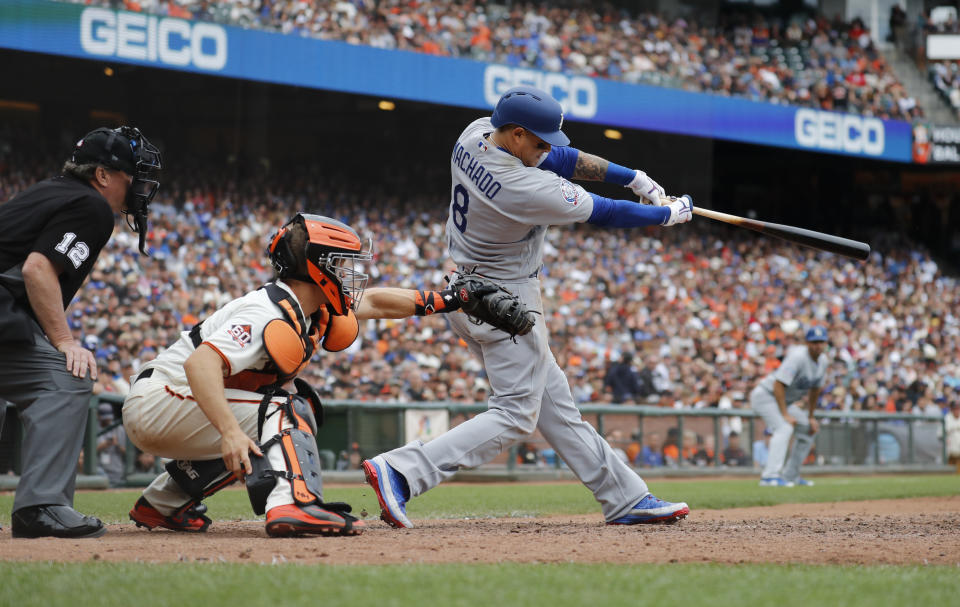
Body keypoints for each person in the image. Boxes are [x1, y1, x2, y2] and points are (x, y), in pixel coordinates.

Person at [363, 85, 693, 528]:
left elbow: (558, 158)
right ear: (516, 134)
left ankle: (626, 497)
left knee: (556, 409)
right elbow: (607, 213)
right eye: (537, 140)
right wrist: (666, 215)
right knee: (516, 415)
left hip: (471, 288)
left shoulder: (475, 133)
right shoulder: (521, 186)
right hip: (505, 301)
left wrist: (633, 177)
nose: (545, 149)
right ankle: (403, 472)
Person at [122, 213, 464, 537]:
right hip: (159, 399)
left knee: (286, 409)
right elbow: (200, 365)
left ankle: (162, 503)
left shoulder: (307, 306)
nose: (349, 273)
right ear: (318, 267)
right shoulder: (266, 309)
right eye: (342, 264)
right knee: (285, 409)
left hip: (170, 404)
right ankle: (293, 503)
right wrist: (229, 432)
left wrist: (451, 299)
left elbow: (376, 303)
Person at [0, 126, 161, 538]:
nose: (138, 187)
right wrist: (66, 341)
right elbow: (38, 269)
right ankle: (41, 506)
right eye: (131, 177)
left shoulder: (48, 191)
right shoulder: (91, 205)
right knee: (65, 376)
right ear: (104, 175)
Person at [751, 326, 828, 487]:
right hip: (766, 395)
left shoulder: (823, 361)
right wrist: (785, 414)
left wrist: (811, 416)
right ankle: (769, 477)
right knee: (784, 428)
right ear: (807, 343)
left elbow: (815, 390)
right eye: (814, 342)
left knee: (808, 428)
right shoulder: (798, 357)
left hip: (783, 400)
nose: (818, 345)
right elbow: (778, 384)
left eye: (821, 342)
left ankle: (790, 476)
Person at [946, 401, 960, 473]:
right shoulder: (947, 418)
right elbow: (940, 434)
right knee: (948, 473)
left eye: (958, 409)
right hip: (950, 452)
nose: (957, 411)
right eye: (955, 409)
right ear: (951, 409)